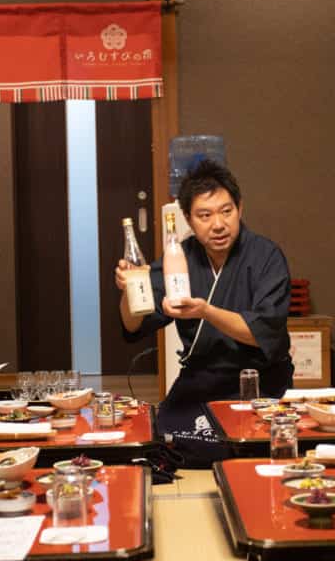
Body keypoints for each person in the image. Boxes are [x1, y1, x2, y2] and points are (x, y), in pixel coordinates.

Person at [116, 160, 293, 465]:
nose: (218, 224)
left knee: (247, 443)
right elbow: (133, 325)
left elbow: (261, 332)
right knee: (155, 440)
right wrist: (129, 289)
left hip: (259, 381)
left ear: (240, 208)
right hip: (201, 380)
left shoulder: (267, 256)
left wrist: (207, 311)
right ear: (188, 219)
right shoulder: (179, 257)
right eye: (205, 215)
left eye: (226, 211)